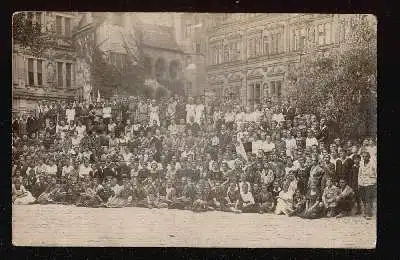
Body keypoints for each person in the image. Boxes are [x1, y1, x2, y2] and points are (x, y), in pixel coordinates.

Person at [358, 151, 376, 219]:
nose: (365, 158)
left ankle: (368, 213)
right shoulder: (361, 164)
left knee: (368, 198)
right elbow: (359, 174)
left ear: (369, 157)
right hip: (362, 183)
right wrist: (359, 183)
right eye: (363, 156)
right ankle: (366, 211)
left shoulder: (373, 164)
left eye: (366, 156)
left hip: (370, 183)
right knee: (363, 198)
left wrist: (374, 182)